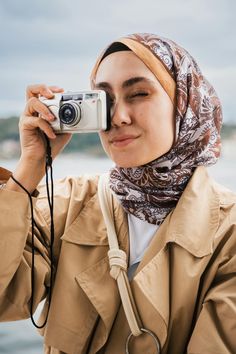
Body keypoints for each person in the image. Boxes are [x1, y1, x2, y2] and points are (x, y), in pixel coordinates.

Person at [0, 32, 235, 354]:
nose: (117, 117)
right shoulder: (66, 205)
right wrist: (29, 169)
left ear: (185, 103)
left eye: (138, 94)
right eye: (103, 101)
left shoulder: (229, 233)